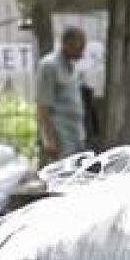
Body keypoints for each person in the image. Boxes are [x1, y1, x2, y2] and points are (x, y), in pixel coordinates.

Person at [35, 26, 89, 163]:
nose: (82, 52)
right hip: (61, 139)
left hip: (76, 136)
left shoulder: (72, 68)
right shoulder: (49, 66)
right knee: (64, 179)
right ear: (67, 44)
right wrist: (49, 140)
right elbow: (42, 107)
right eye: (79, 47)